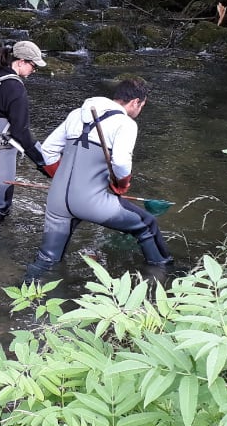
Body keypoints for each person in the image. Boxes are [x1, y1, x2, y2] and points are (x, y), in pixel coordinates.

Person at [23, 76, 172, 281]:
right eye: (142, 106)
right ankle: (163, 277)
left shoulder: (76, 114)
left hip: (56, 200)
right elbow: (120, 163)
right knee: (146, 225)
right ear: (135, 102)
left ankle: (21, 295)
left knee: (47, 259)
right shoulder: (125, 123)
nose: (139, 111)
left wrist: (62, 178)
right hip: (90, 202)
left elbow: (47, 150)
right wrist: (121, 184)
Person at [0, 40, 52, 227]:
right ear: (20, 62)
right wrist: (42, 163)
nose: (34, 70)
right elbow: (21, 132)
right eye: (33, 65)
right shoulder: (15, 87)